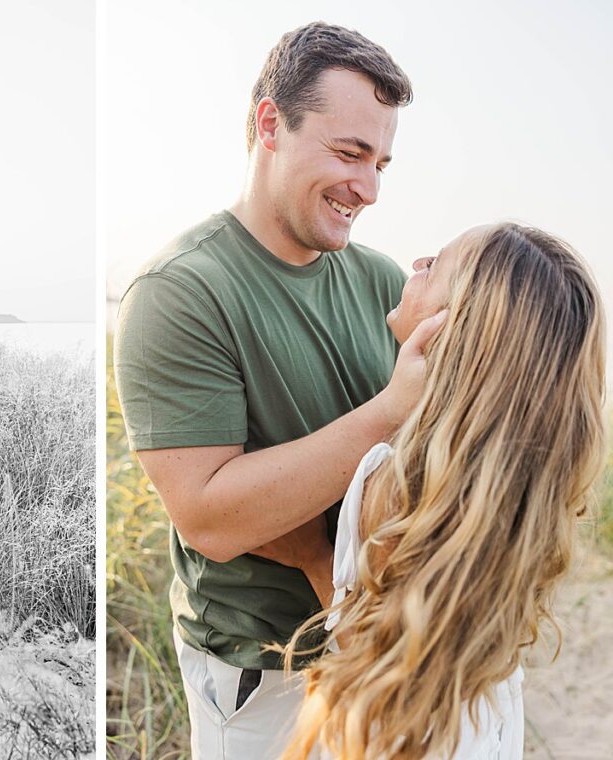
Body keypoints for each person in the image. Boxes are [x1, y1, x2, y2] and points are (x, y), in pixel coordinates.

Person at [113, 21, 444, 757]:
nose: (370, 187)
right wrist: (392, 408)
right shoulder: (181, 291)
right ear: (271, 124)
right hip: (262, 674)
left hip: (384, 646)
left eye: (382, 162)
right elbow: (209, 516)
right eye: (350, 152)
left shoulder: (381, 281)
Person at [276, 222, 605, 759]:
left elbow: (376, 657)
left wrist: (313, 556)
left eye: (436, 266)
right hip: (484, 725)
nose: (417, 262)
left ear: (453, 326)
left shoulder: (392, 477)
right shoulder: (513, 480)